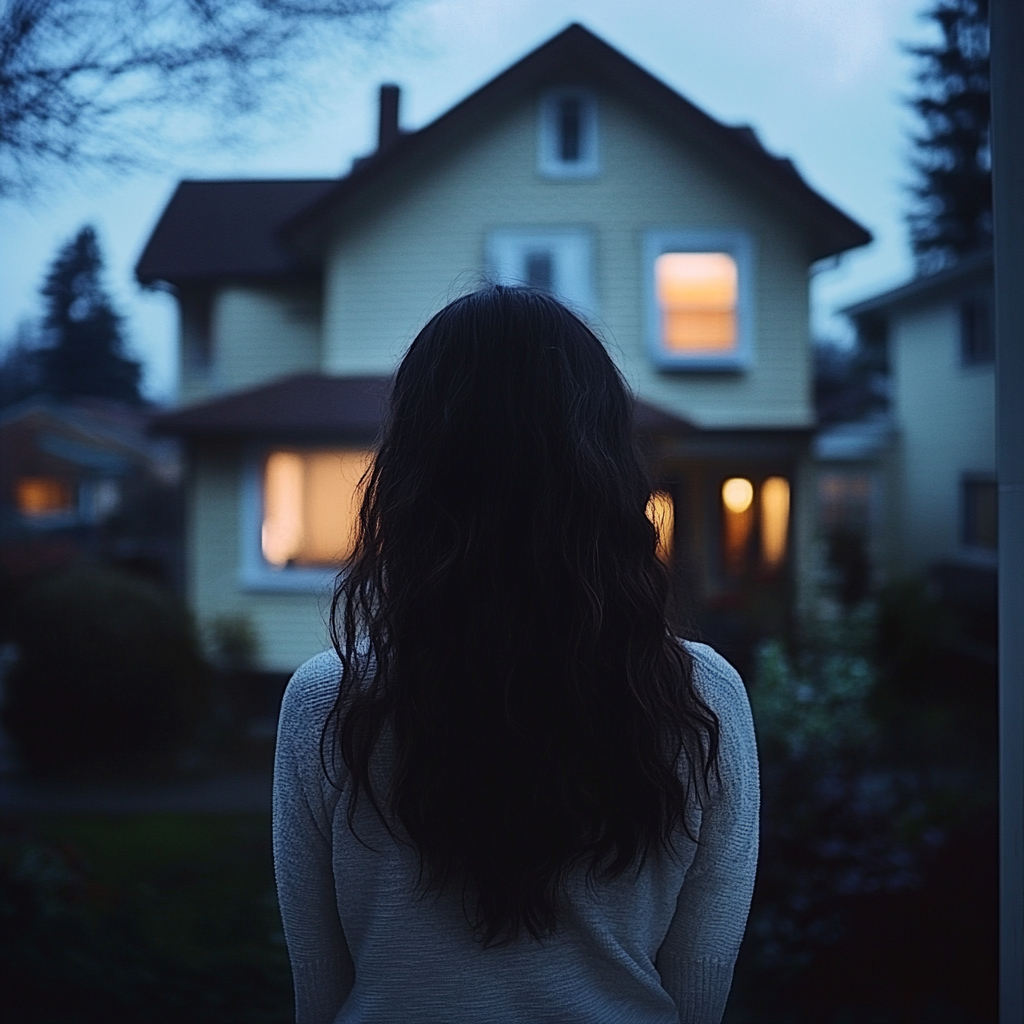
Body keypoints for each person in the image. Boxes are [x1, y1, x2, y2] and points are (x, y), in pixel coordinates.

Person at [273, 286, 759, 1024]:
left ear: (410, 472)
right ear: (606, 470)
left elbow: (319, 988)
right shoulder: (701, 698)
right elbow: (699, 983)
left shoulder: (327, 700)